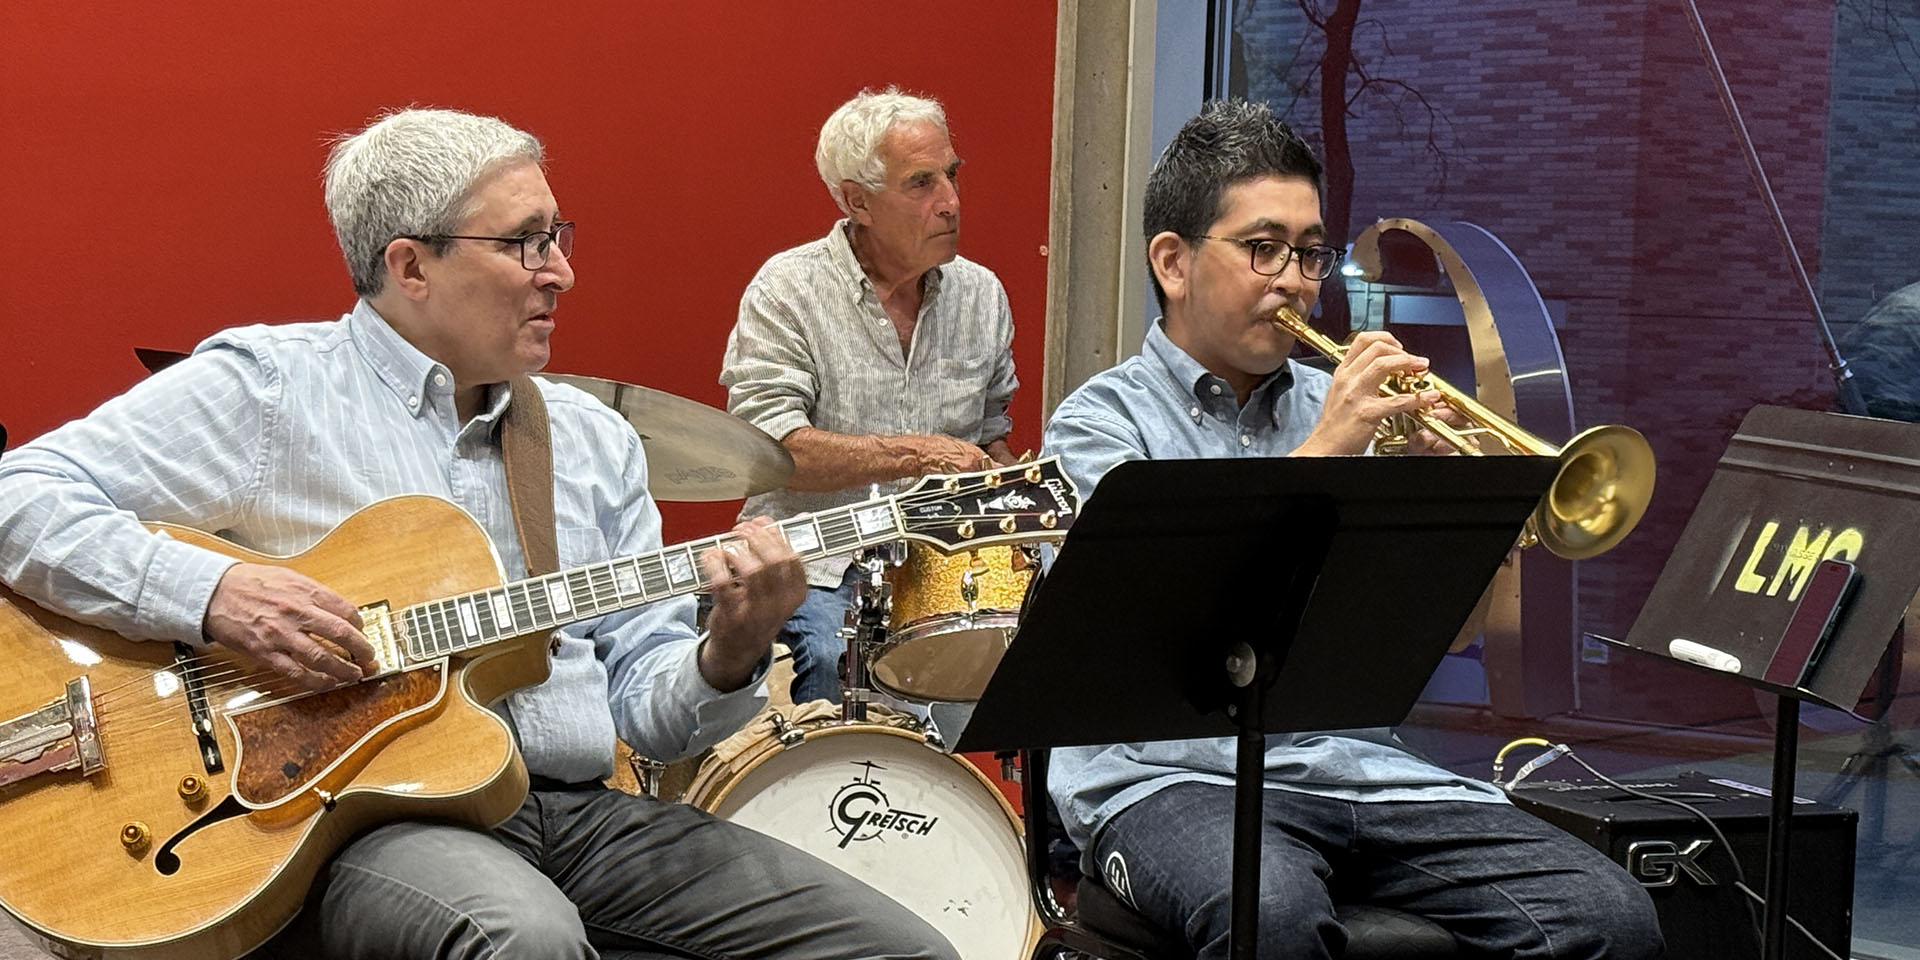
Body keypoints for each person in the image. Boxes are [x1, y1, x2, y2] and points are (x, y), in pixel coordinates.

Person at [0, 107, 957, 960]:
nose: (562, 271)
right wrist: (214, 595)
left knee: (903, 949)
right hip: (371, 824)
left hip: (575, 814)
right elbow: (21, 492)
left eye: (559, 237)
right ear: (410, 265)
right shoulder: (271, 391)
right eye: (526, 242)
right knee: (523, 939)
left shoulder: (591, 442)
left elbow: (646, 709)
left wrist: (730, 649)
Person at [1041, 100, 1664, 959]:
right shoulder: (1099, 426)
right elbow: (1166, 637)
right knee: (1271, 916)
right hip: (1163, 775)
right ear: (1173, 262)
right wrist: (1331, 449)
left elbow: (1443, 639)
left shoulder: (1350, 414)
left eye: (1310, 253)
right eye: (1263, 249)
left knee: (1610, 915)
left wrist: (1456, 518)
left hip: (1354, 770)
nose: (1296, 282)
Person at [720, 86, 1019, 705]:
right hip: (815, 562)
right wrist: (919, 454)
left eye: (952, 174)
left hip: (942, 564)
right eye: (922, 184)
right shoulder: (787, 289)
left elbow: (993, 437)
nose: (951, 201)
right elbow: (773, 450)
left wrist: (1021, 506)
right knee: (835, 655)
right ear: (857, 200)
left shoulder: (982, 294)